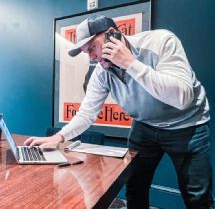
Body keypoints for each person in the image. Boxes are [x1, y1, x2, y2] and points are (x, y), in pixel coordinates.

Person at [24, 15, 213, 209]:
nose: (91, 57)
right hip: (145, 125)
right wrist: (59, 137)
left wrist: (130, 64)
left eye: (91, 48)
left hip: (188, 125)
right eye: (85, 52)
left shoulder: (161, 41)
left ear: (112, 36)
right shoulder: (102, 72)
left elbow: (182, 98)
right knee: (134, 187)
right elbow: (87, 113)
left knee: (197, 196)